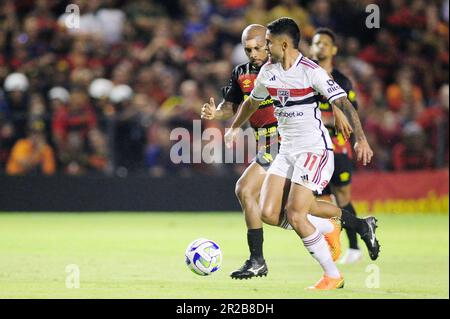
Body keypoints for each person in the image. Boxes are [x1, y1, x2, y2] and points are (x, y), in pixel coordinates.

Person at [225, 18, 379, 290]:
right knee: (269, 213)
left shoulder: (311, 71)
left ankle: (332, 275)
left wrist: (361, 140)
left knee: (296, 214)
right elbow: (251, 102)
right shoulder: (269, 72)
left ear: (283, 44)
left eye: (268, 43)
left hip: (314, 149)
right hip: (287, 150)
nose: (265, 48)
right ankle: (342, 226)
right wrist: (234, 127)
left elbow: (342, 102)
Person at [201, 24, 351, 280]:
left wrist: (337, 110)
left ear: (270, 43)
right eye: (248, 49)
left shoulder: (288, 67)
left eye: (259, 47)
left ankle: (257, 259)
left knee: (245, 189)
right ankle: (331, 226)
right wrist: (217, 114)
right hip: (266, 143)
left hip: (283, 141)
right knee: (280, 211)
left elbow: (323, 85)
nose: (253, 53)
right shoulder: (243, 73)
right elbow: (233, 105)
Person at [310, 28, 363, 264]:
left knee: (342, 197)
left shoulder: (342, 80)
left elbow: (351, 115)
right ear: (311, 48)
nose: (320, 46)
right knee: (319, 202)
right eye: (316, 43)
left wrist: (327, 120)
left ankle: (354, 247)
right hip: (314, 150)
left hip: (338, 147)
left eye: (325, 43)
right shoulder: (304, 75)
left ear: (333, 50)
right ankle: (331, 247)